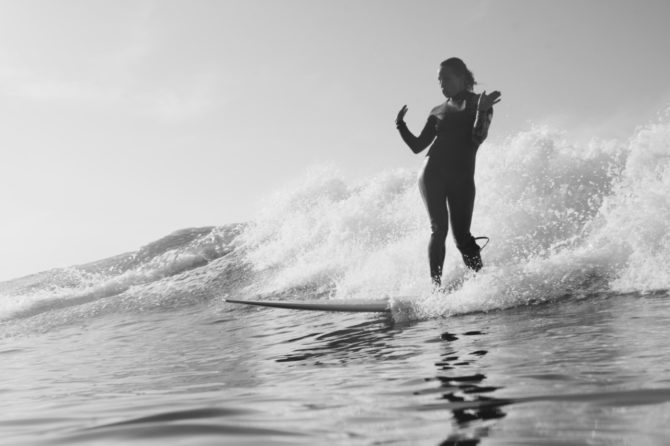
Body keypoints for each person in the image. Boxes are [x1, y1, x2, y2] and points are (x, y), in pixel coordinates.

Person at [396, 57, 501, 287]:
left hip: (462, 177)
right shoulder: (437, 111)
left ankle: (482, 287)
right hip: (432, 172)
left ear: (463, 77)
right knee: (438, 229)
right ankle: (435, 289)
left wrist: (482, 112)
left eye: (446, 78)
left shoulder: (479, 102)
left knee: (463, 238)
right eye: (439, 80)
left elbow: (477, 137)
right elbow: (417, 146)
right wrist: (400, 126)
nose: (442, 84)